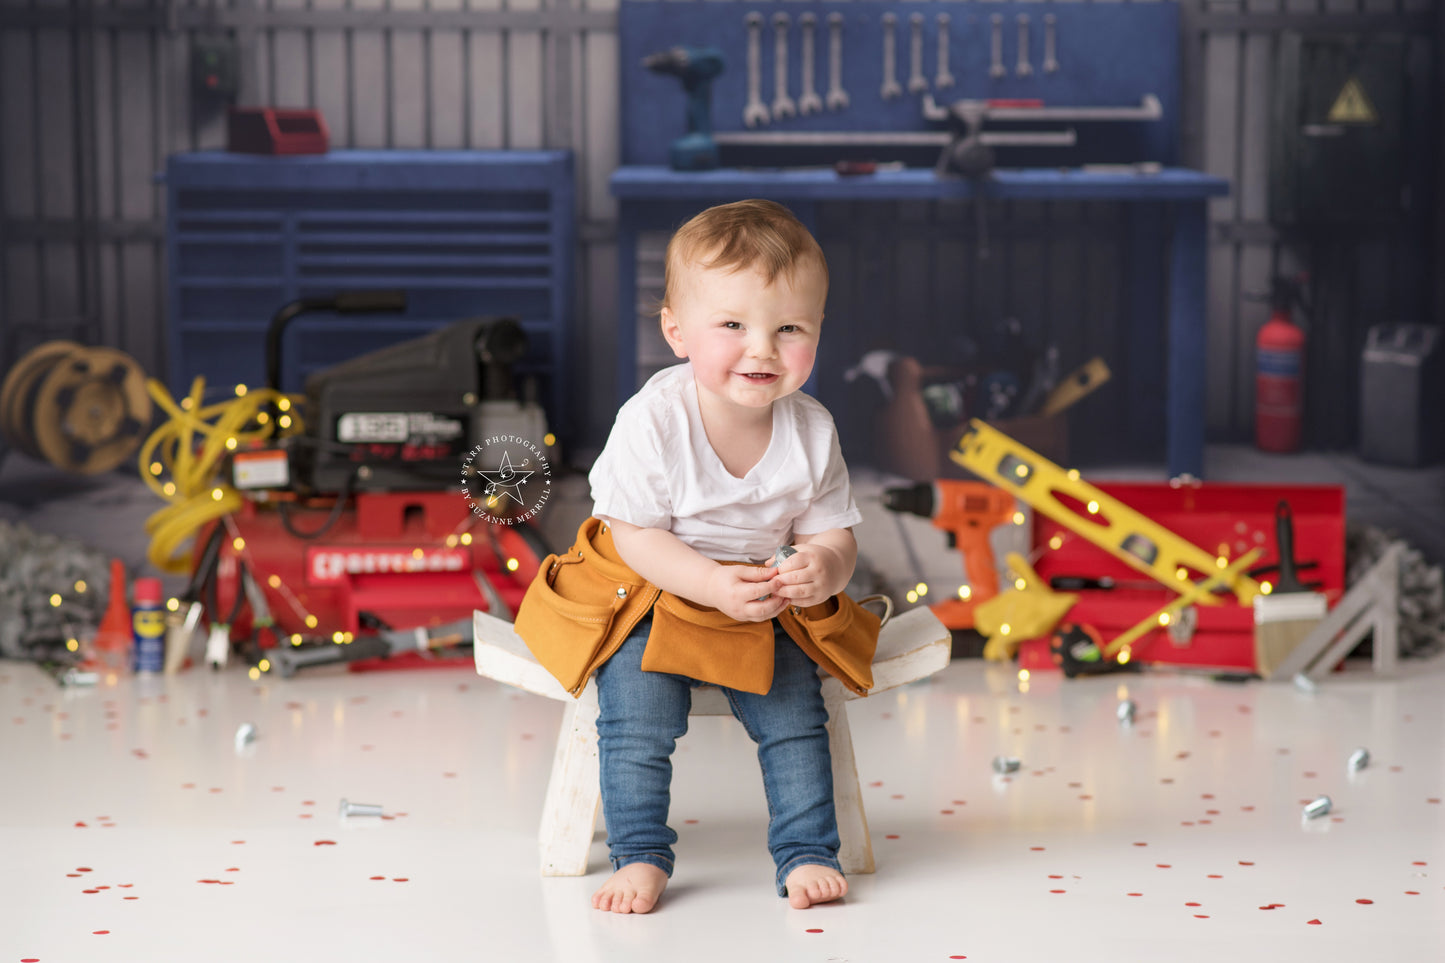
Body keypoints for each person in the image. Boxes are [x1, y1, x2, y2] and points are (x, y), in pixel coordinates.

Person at [516, 199, 876, 915]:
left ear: (817, 332)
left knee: (795, 718)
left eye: (789, 328)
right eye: (733, 325)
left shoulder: (810, 429)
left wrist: (822, 569)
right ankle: (641, 852)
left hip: (761, 597)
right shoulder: (653, 420)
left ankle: (805, 850)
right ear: (677, 332)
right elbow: (633, 536)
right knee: (636, 719)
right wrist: (709, 582)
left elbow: (833, 530)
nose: (762, 349)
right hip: (654, 591)